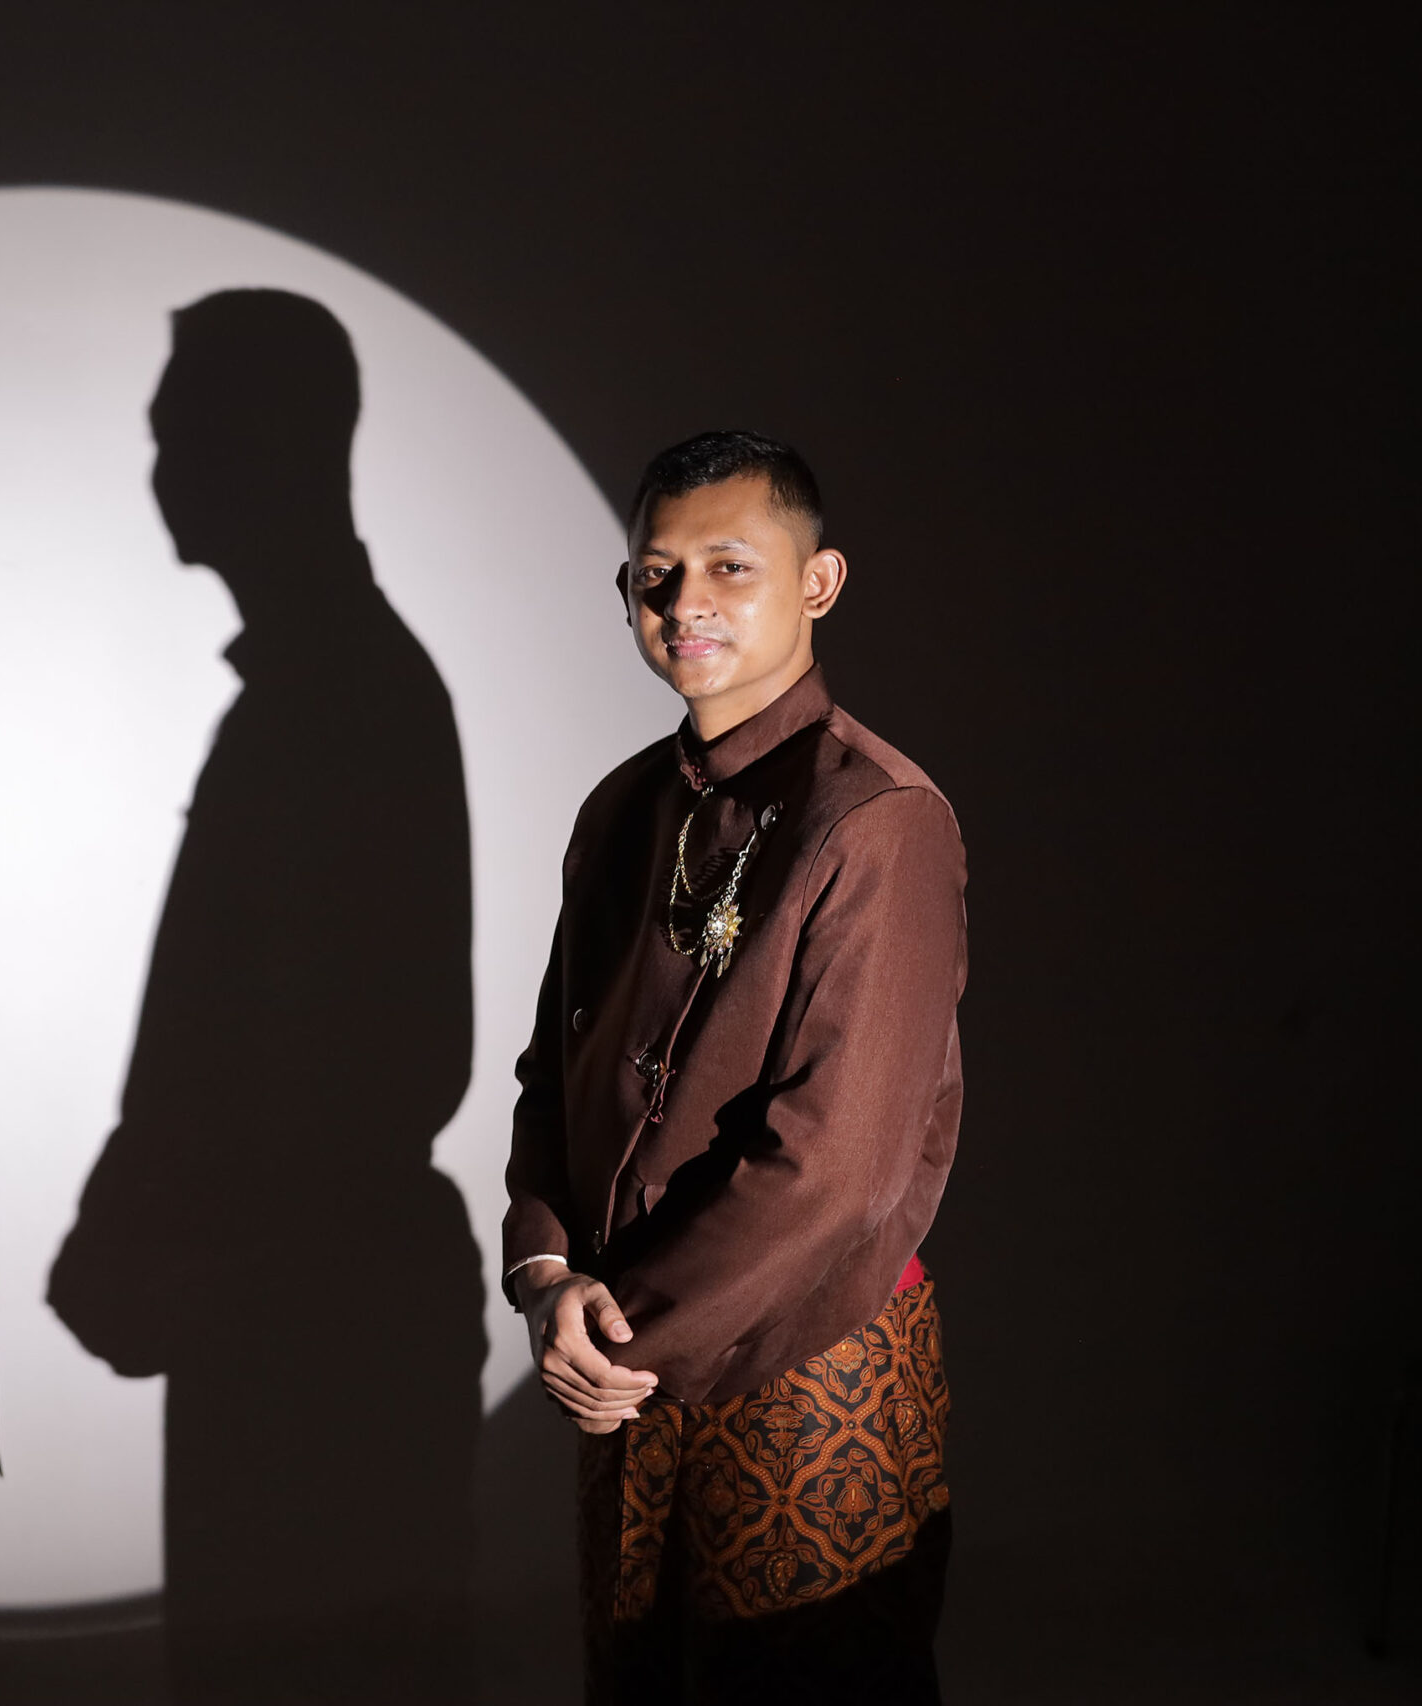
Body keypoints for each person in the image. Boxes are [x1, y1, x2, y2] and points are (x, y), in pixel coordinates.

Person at [49, 288, 483, 1704]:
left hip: (308, 1331)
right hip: (298, 1310)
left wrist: (163, 1220)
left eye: (182, 430)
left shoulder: (339, 701)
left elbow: (358, 1052)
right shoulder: (338, 690)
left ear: (272, 445)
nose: (160, 466)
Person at [502, 432, 966, 1703]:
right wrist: (543, 1270)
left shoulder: (877, 818)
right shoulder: (620, 811)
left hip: (808, 1362)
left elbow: (839, 1172)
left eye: (728, 566)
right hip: (620, 1363)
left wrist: (614, 1338)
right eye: (655, 573)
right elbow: (553, 1069)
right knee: (639, 1678)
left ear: (817, 582)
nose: (684, 602)